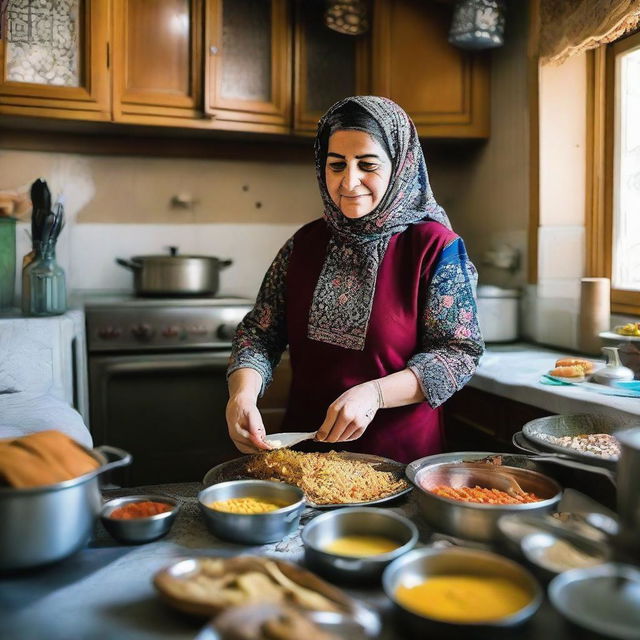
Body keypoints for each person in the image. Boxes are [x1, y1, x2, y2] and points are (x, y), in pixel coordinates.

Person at [225, 96, 484, 464]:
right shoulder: (303, 244)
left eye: (367, 164)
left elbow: (459, 353)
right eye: (336, 165)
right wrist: (242, 395)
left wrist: (375, 395)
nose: (349, 181)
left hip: (399, 463)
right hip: (303, 458)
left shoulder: (434, 248)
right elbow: (259, 333)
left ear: (399, 167)